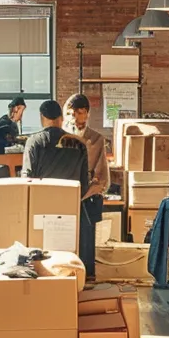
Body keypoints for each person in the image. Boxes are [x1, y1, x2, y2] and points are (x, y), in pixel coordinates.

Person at [64, 93, 110, 280]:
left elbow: (102, 175)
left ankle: (87, 279)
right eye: (72, 113)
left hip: (87, 197)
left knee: (86, 242)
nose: (76, 118)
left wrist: (87, 191)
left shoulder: (97, 139)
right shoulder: (61, 137)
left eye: (81, 113)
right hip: (63, 195)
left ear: (88, 114)